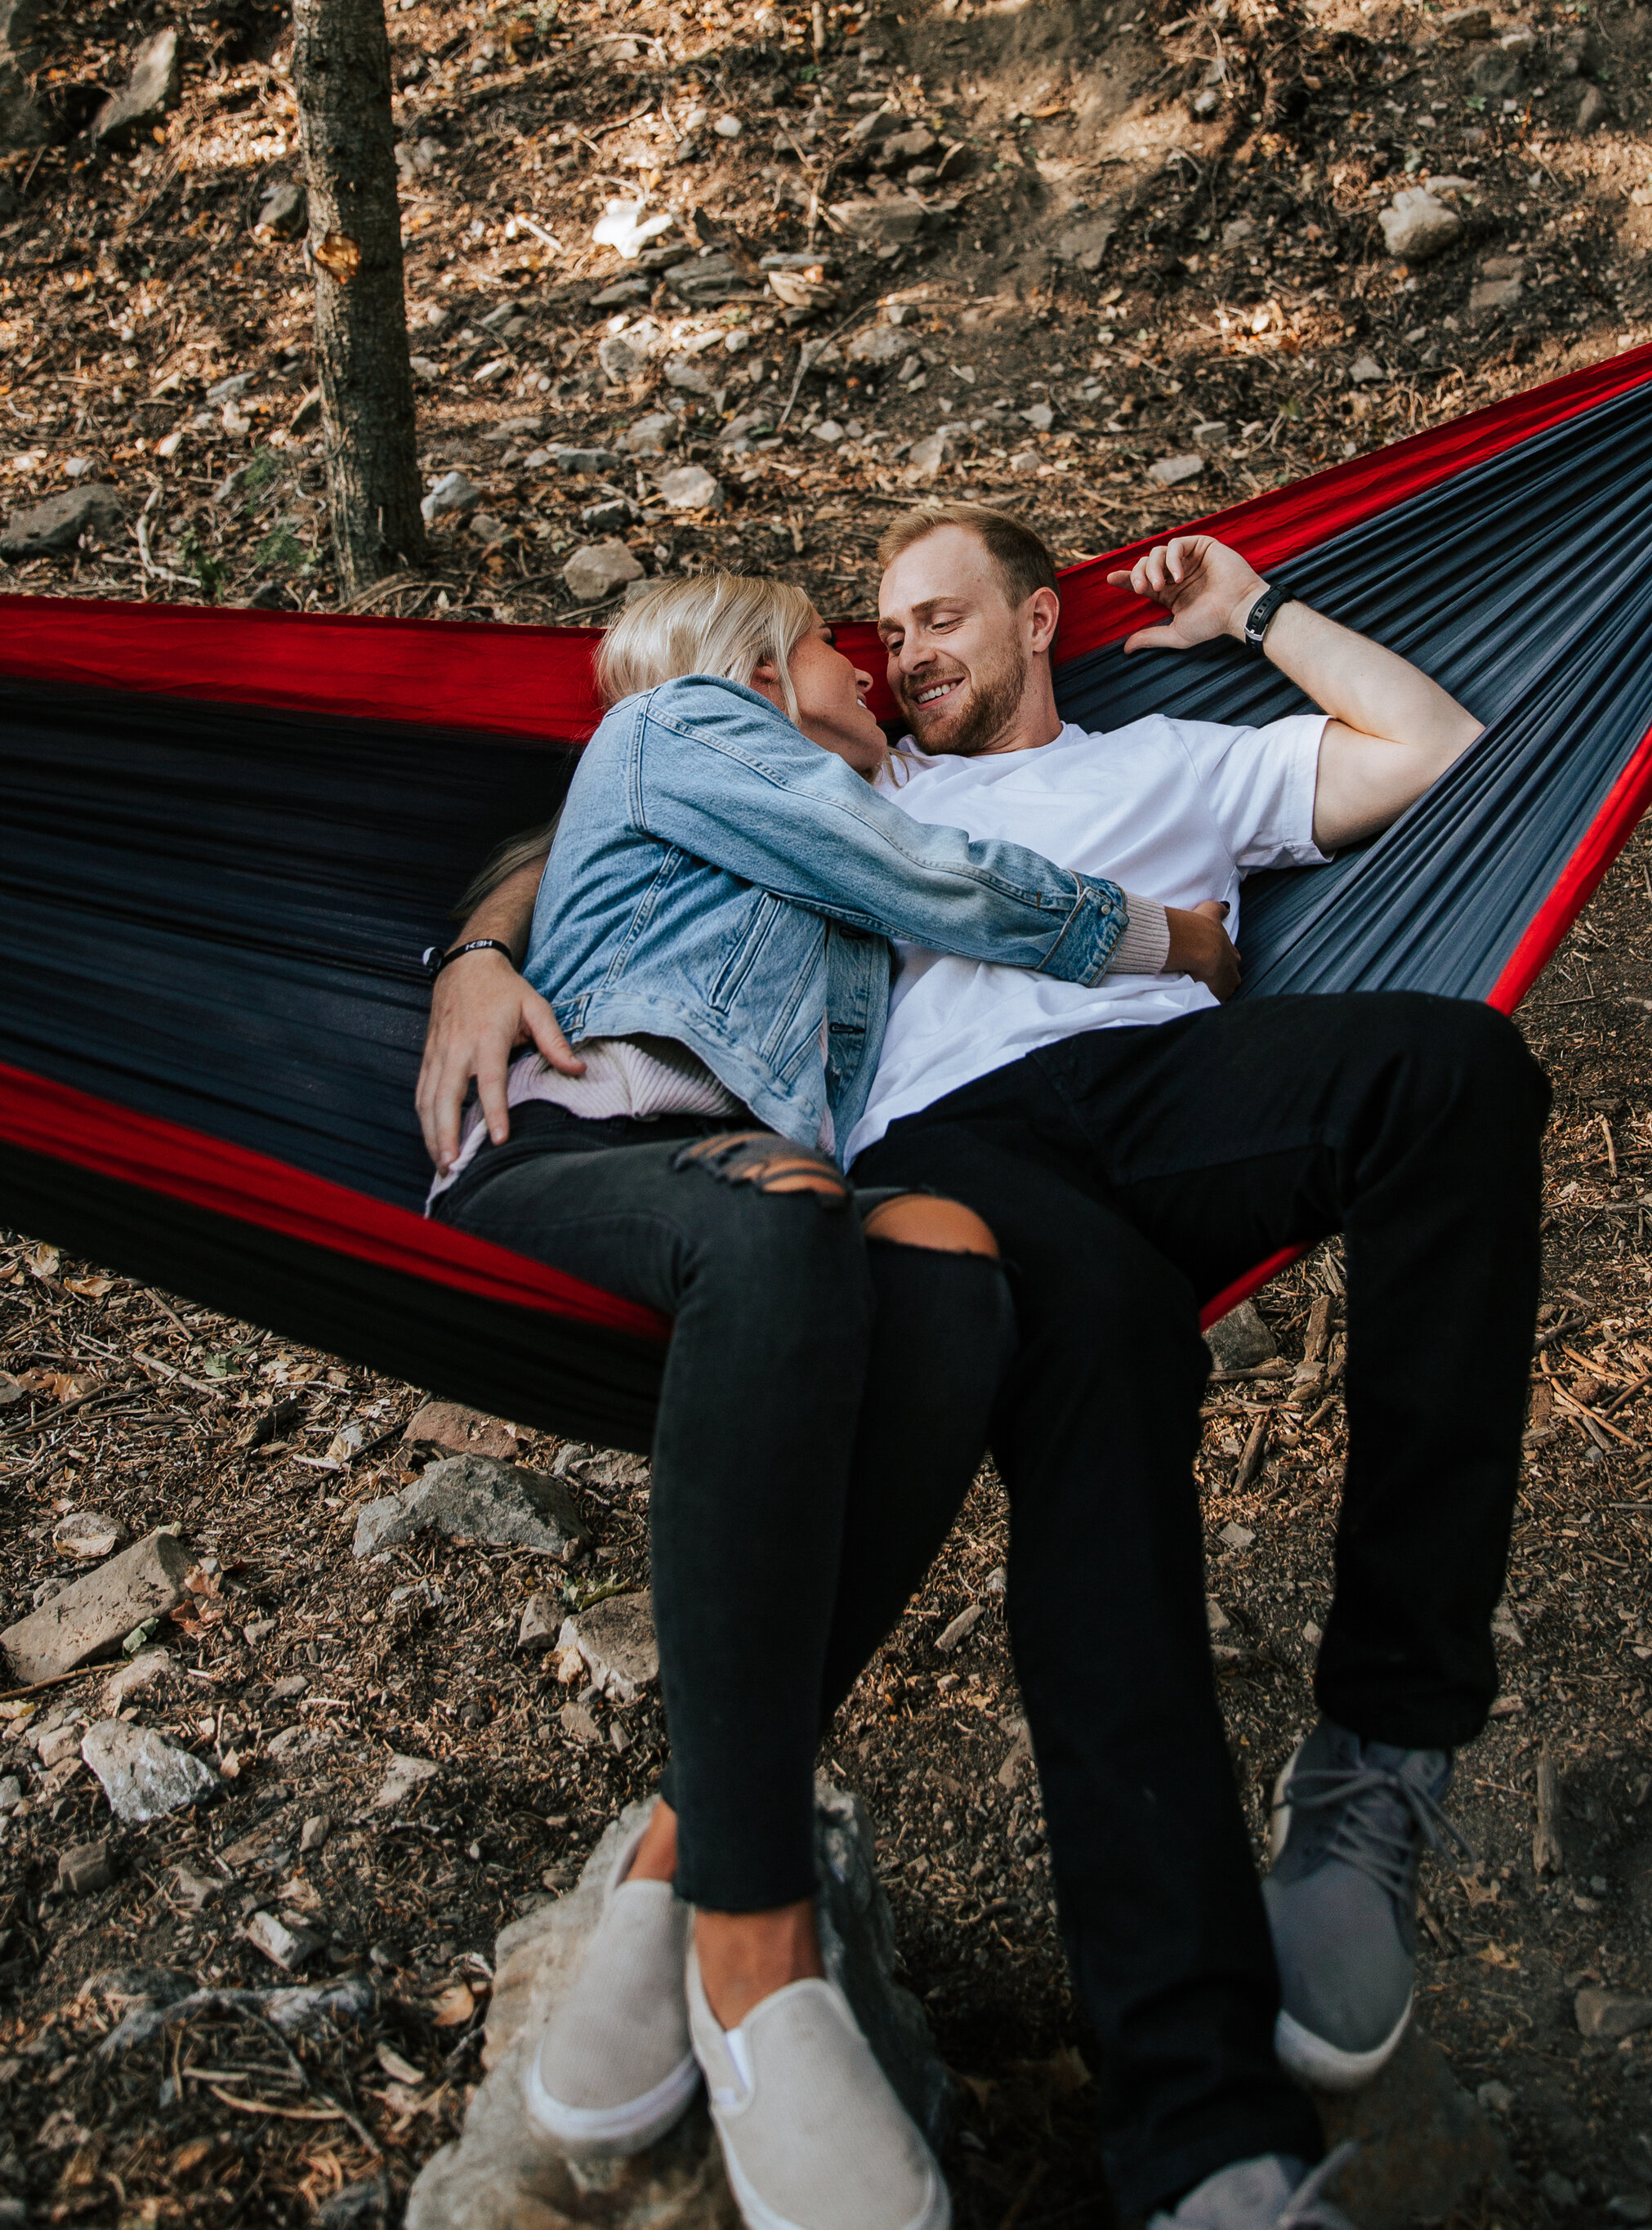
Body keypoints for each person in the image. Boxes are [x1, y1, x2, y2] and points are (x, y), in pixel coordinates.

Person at [426, 507, 1549, 2230]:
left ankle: (1377, 1759)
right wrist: (479, 952)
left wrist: (1258, 610)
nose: (901, 654)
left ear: (1043, 622)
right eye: (874, 633)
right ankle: (1205, 2151)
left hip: (1166, 1101)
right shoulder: (850, 790)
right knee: (1106, 1432)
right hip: (952, 1161)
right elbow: (576, 813)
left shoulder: (1172, 765)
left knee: (1456, 1073)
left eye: (939, 617)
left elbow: (1432, 747)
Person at [422, 570, 1238, 2230]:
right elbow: (919, 871)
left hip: (753, 1184)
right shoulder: (689, 724)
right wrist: (1165, 934)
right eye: (829, 646)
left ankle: (675, 1851)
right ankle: (752, 1951)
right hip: (572, 1148)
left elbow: (583, 858)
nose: (865, 670)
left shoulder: (781, 788)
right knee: (790, 1218)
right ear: (753, 674)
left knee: (947, 1268)